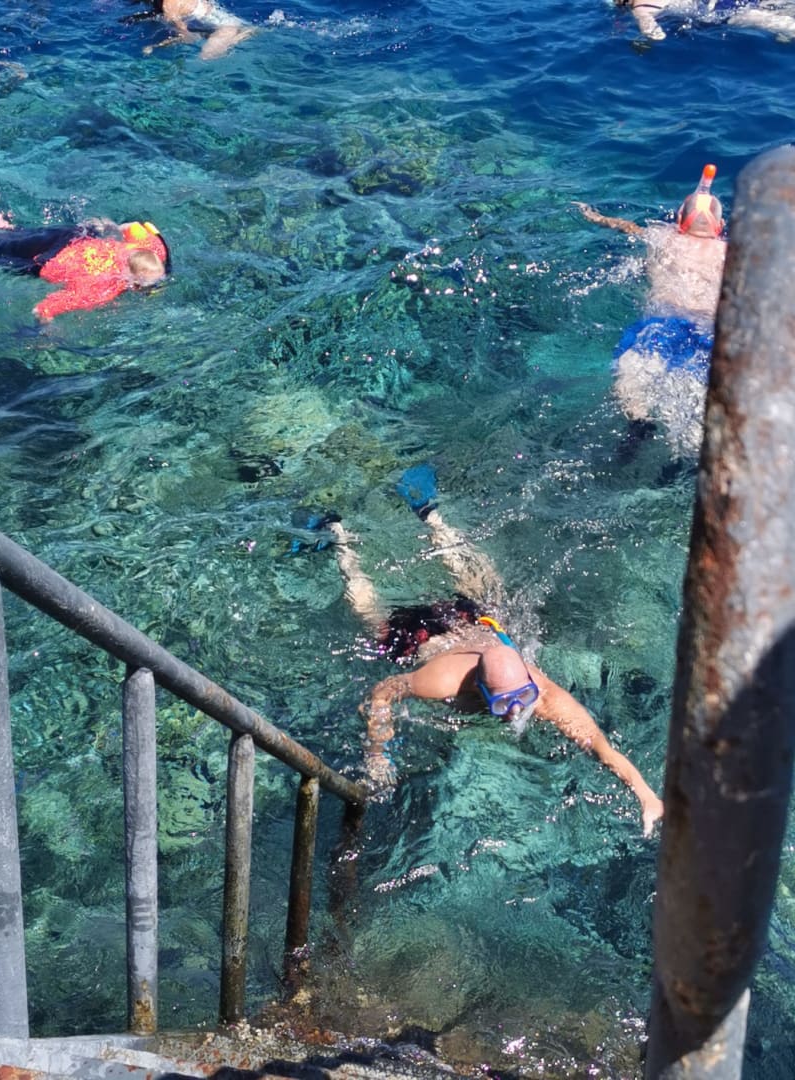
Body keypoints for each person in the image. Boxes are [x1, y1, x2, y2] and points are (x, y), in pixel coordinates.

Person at [303, 464, 664, 837]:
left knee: (484, 584)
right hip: (422, 638)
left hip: (477, 623)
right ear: (480, 689)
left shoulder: (542, 695)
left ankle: (431, 515)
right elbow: (382, 692)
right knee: (368, 611)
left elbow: (598, 746)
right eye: (503, 703)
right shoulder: (442, 682)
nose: (515, 711)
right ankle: (339, 536)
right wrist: (377, 755)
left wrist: (646, 795)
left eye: (521, 698)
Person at [575, 163, 727, 455]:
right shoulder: (731, 252)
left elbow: (623, 226)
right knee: (698, 392)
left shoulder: (660, 236)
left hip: (662, 322)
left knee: (630, 377)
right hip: (709, 329)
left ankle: (639, 423)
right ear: (719, 228)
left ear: (679, 220)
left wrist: (592, 214)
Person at [0, 213, 170, 321]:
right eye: (140, 287)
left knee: (24, 237)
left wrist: (114, 229)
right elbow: (42, 309)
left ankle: (4, 225)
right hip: (46, 260)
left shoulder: (153, 247)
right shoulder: (101, 290)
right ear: (130, 280)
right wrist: (48, 332)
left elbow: (133, 226)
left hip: (72, 236)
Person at [613, 0, 795, 42]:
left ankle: (789, 35)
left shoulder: (641, 8)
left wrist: (642, 43)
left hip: (724, 11)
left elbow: (656, 35)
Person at [124, 0, 258, 60]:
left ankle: (245, 33)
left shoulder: (169, 6)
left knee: (206, 56)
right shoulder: (162, 4)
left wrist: (157, 46)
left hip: (227, 28)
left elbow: (189, 37)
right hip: (217, 24)